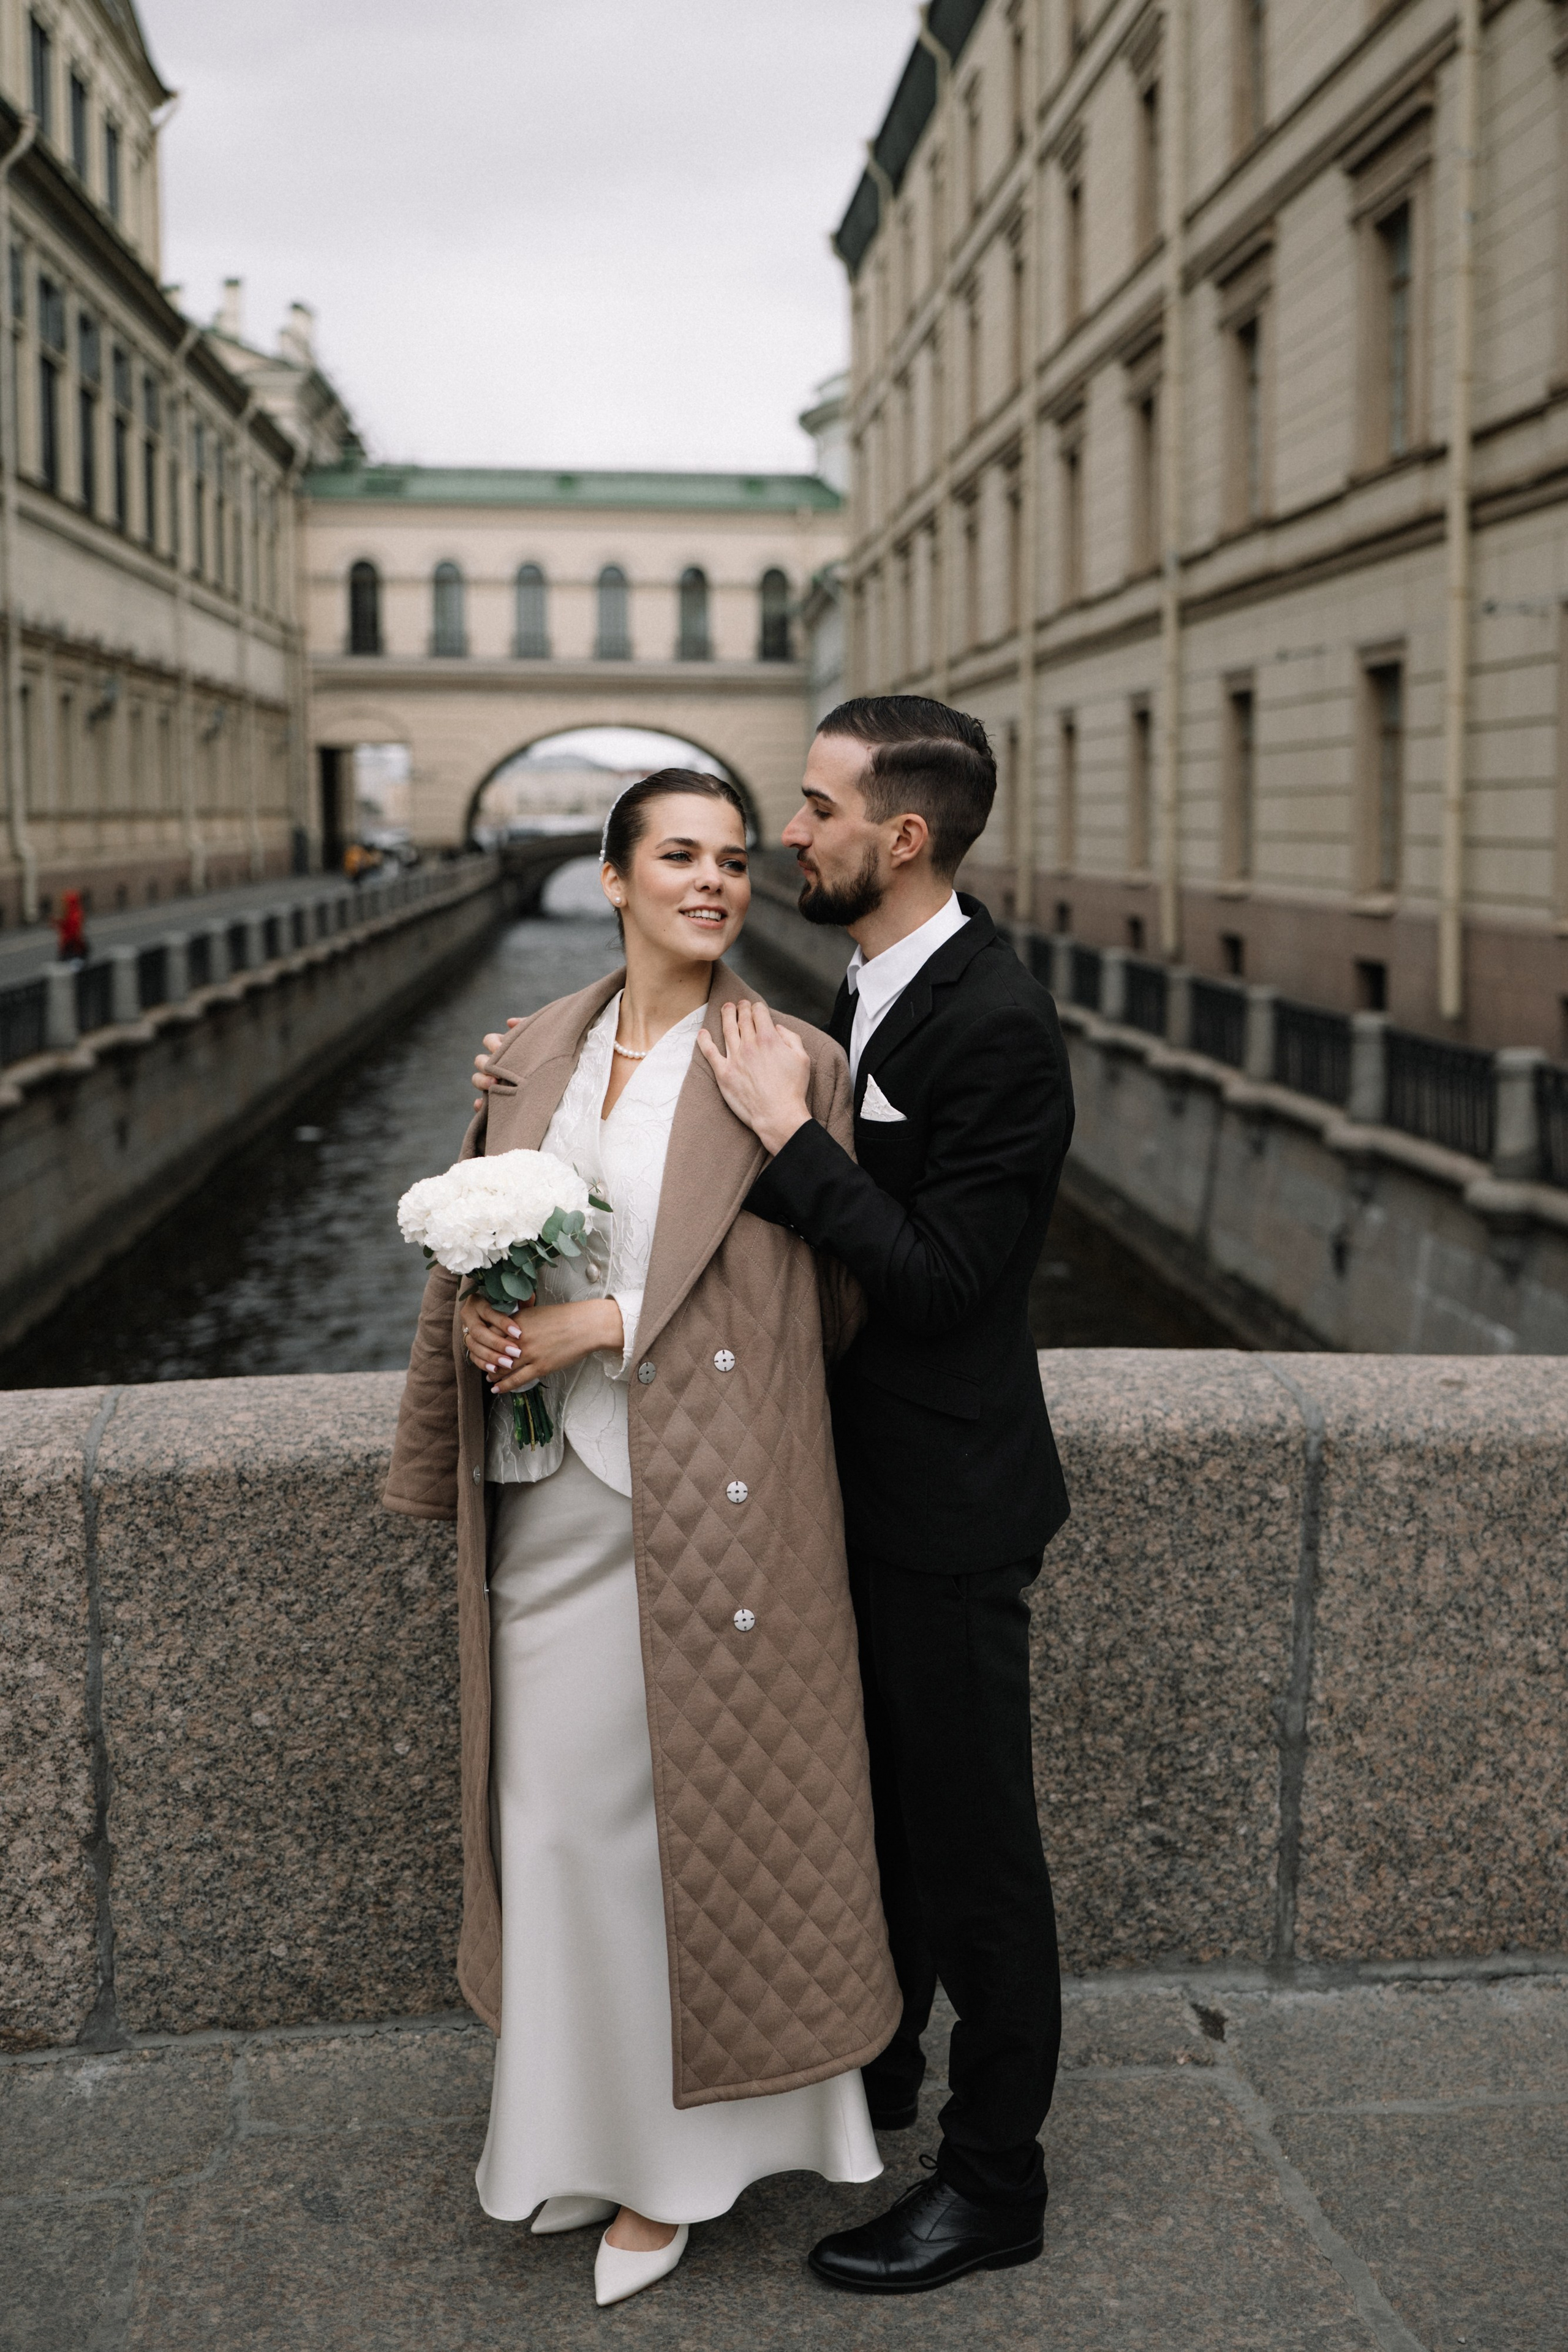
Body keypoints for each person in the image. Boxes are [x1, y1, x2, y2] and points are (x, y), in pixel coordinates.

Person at [384, 768, 899, 2312]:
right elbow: (478, 1238)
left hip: (711, 1498)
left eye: (735, 859)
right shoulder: (530, 1046)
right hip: (545, 1493)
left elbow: (834, 1295)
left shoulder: (786, 1054)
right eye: (678, 855)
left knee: (689, 1831)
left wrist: (594, 1324)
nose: (715, 881)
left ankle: (670, 2178)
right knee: (550, 1823)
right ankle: (572, 2134)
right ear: (609, 878)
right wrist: (486, 1333)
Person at [692, 696, 1074, 2293]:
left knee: (978, 1853)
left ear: (900, 838)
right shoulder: (868, 976)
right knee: (893, 1825)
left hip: (951, 1505)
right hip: (861, 1489)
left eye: (815, 807)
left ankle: (994, 2184)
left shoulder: (997, 1023)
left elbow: (934, 1282)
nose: (790, 830)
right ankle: (885, 2075)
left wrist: (793, 1138)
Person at [54, 888, 89, 962]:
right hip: (71, 947)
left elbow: (73, 933)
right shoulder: (71, 914)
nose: (62, 905)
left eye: (64, 902)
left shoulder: (74, 915)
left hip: (72, 948)